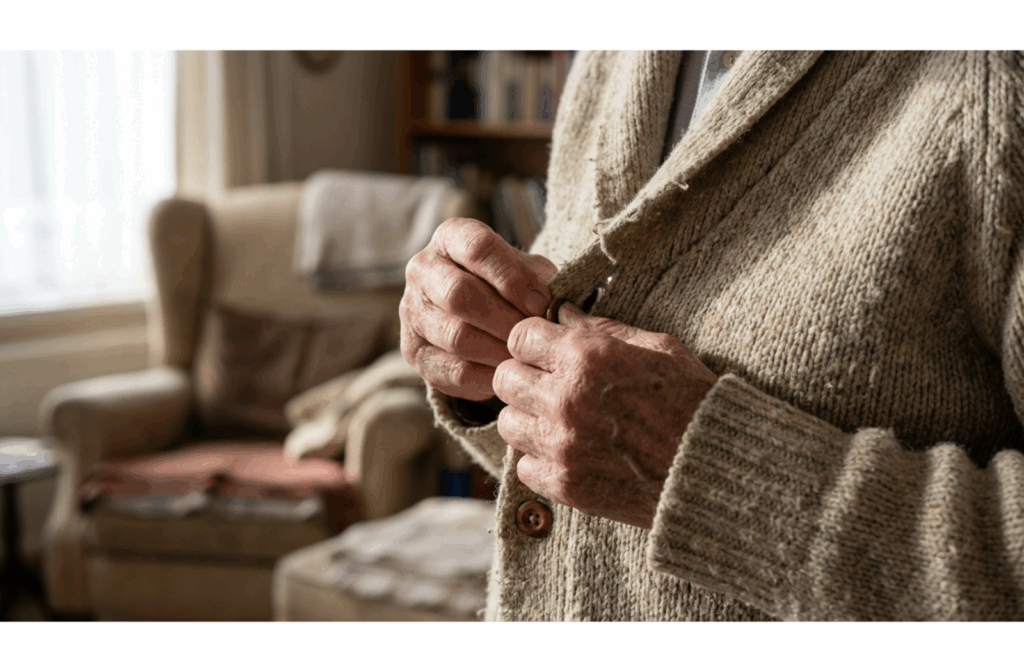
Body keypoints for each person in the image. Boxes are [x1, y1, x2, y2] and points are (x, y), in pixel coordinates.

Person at [399, 50, 1024, 620]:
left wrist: (711, 478)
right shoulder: (610, 55)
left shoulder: (994, 76)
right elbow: (586, 453)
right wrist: (485, 351)